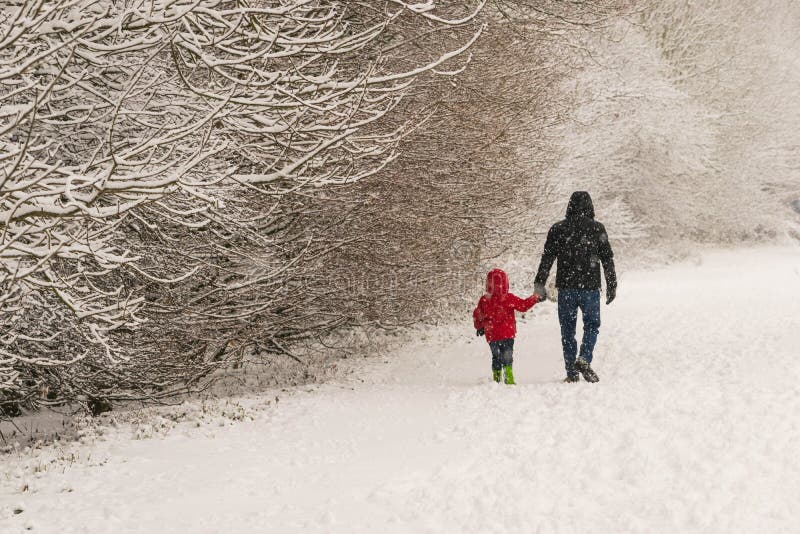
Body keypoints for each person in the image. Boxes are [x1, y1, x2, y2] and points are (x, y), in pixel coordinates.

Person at [533, 191, 617, 383]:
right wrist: (612, 285)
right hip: (589, 288)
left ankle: (572, 374)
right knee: (592, 325)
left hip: (567, 288)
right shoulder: (597, 229)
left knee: (567, 331)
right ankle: (584, 358)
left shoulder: (558, 229)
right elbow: (607, 259)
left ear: (569, 206)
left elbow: (547, 258)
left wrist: (539, 283)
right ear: (590, 206)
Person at [473, 269, 542, 384]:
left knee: (496, 356)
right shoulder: (508, 298)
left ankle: (496, 378)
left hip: (492, 335)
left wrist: (479, 327)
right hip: (507, 333)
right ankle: (509, 377)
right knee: (507, 355)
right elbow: (523, 306)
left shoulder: (484, 300)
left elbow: (478, 314)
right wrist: (534, 298)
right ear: (505, 283)